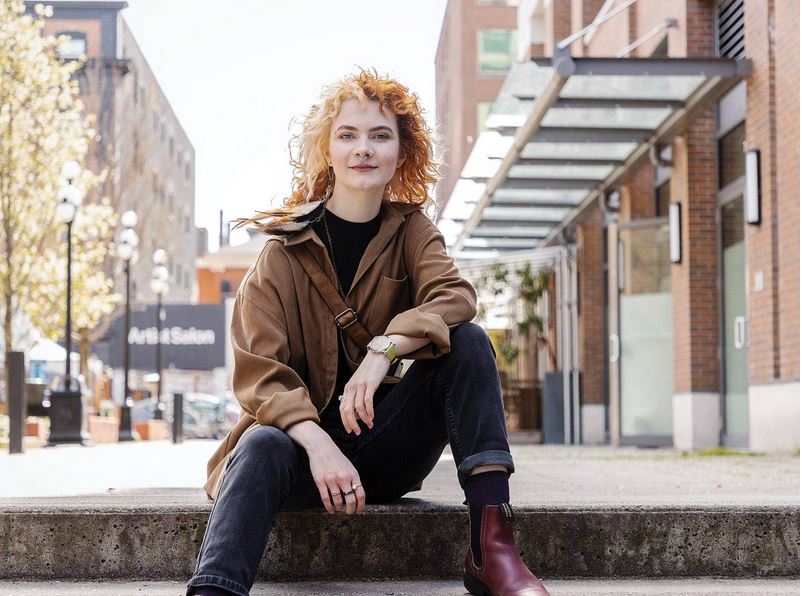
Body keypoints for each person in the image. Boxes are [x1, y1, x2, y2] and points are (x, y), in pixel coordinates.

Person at [186, 68, 550, 596]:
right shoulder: (281, 254)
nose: (364, 149)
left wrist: (384, 349)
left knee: (468, 340)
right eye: (348, 135)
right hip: (299, 457)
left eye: (380, 136)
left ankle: (491, 548)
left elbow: (455, 298)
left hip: (386, 447)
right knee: (263, 442)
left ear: (401, 154)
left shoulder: (412, 230)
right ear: (327, 151)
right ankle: (214, 589)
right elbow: (260, 376)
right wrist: (317, 443)